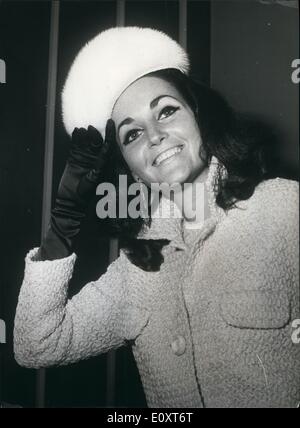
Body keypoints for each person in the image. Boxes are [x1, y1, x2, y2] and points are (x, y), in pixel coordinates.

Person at [14, 27, 299, 408]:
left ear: (200, 117)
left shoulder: (283, 207)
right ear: (131, 169)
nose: (154, 135)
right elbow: (37, 346)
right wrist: (62, 224)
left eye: (166, 111)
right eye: (131, 135)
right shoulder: (138, 265)